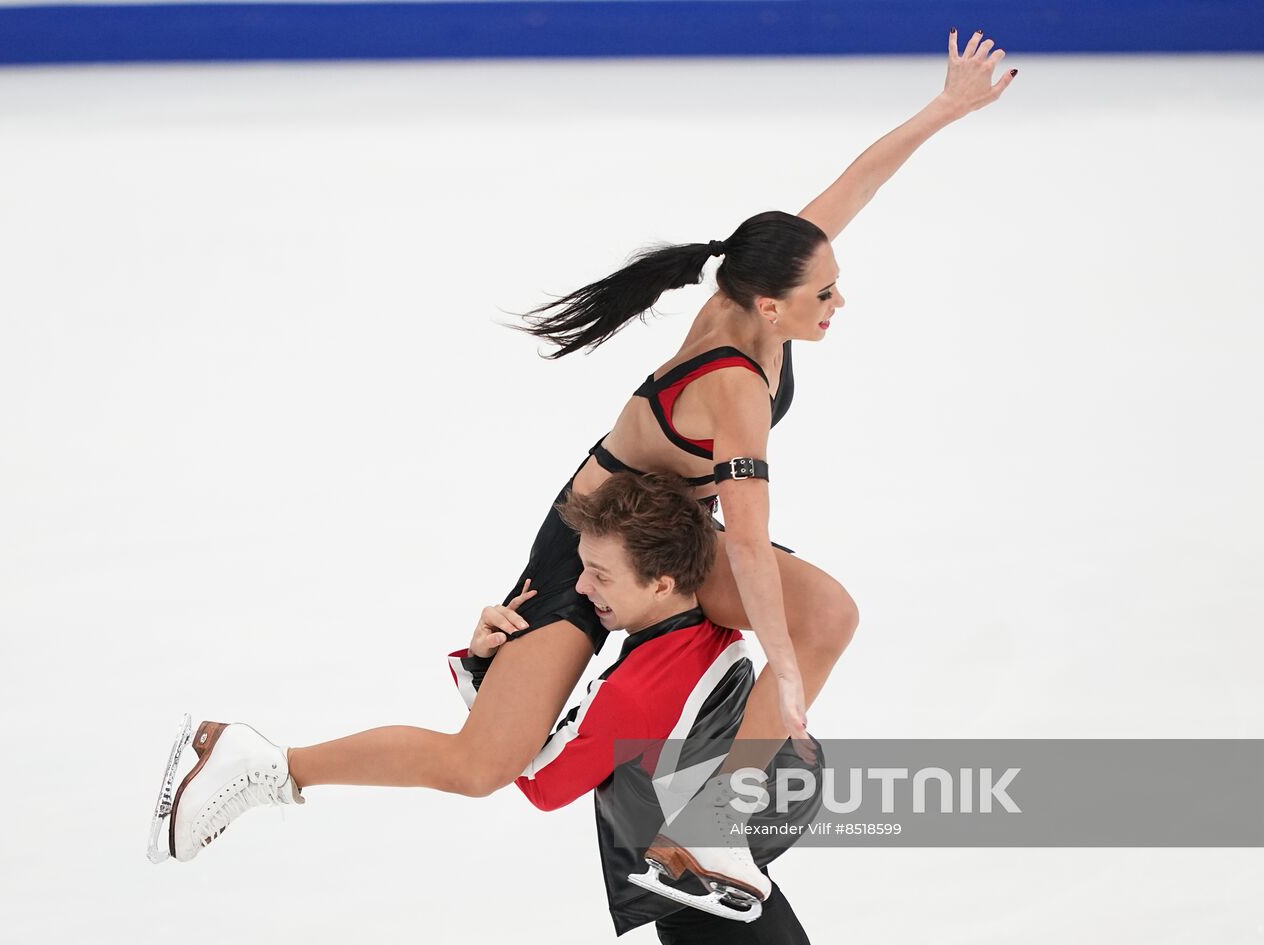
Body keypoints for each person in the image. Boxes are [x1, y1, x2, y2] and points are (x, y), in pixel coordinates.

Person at [146, 25, 1013, 900]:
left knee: (827, 614)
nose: (839, 300)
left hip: (670, 533)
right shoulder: (737, 385)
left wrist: (945, 107)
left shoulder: (763, 285)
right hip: (597, 544)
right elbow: (749, 550)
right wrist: (788, 684)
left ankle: (712, 828)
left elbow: (848, 190)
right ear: (766, 303)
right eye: (823, 293)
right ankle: (263, 762)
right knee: (482, 763)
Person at [447, 472, 824, 941]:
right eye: (582, 566)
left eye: (601, 575)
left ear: (662, 584)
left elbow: (538, 780)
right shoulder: (717, 628)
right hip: (738, 899)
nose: (581, 588)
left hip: (705, 916)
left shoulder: (633, 692)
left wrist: (483, 673)